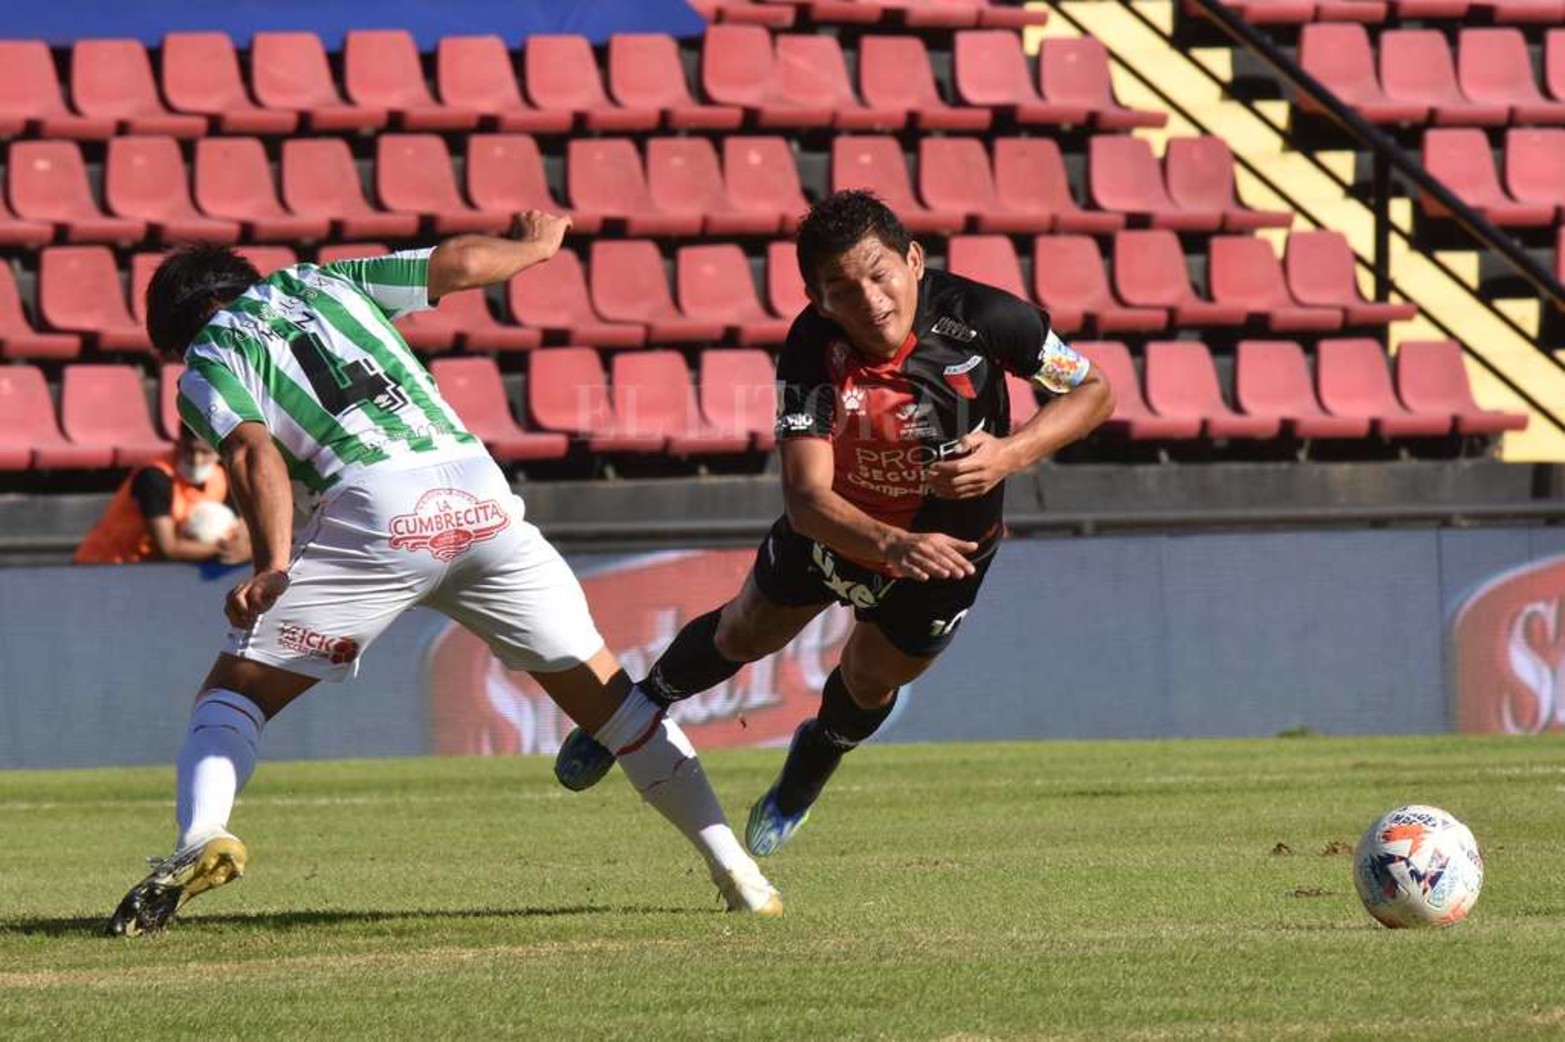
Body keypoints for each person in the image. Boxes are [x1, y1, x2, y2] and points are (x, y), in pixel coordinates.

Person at [108, 216, 783, 937]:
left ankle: (202, 835)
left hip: (374, 511)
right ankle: (738, 873)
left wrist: (271, 564)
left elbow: (250, 453)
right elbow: (455, 264)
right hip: (478, 494)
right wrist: (535, 249)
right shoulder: (327, 282)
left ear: (178, 332)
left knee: (234, 694)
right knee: (613, 706)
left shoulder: (211, 356)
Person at [553, 190, 1114, 858]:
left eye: (880, 275)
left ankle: (808, 769)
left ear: (912, 259)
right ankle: (631, 713)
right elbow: (806, 498)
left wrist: (1009, 454)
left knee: (873, 675)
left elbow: (1092, 390)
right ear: (817, 299)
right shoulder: (810, 347)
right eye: (843, 290)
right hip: (845, 526)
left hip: (952, 547)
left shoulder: (989, 317)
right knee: (747, 628)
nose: (870, 300)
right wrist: (892, 544)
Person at [74, 425, 250, 565]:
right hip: (107, 565)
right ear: (178, 444)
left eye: (205, 453)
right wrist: (231, 550)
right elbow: (169, 548)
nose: (196, 460)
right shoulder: (154, 477)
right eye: (190, 450)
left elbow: (243, 527)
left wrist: (246, 547)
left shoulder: (221, 478)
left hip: (151, 570)